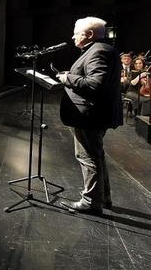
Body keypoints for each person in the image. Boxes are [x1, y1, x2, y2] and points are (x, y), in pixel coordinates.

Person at [57, 17, 122, 214]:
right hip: (97, 114)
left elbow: (95, 84)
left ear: (90, 35)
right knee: (97, 155)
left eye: (76, 32)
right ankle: (103, 197)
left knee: (88, 157)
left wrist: (67, 78)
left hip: (90, 116)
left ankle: (91, 202)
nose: (73, 36)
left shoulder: (98, 51)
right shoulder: (103, 50)